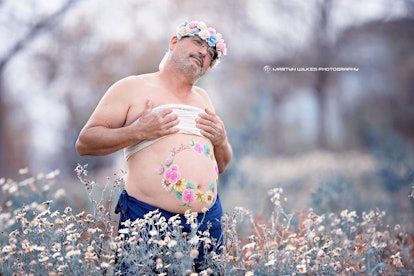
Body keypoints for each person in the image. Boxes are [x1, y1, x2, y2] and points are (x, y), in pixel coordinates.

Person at [75, 20, 232, 271]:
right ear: (174, 42)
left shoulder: (204, 99)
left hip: (207, 219)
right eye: (198, 43)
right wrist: (139, 131)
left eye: (211, 54)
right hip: (148, 217)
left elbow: (222, 163)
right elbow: (85, 142)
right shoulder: (133, 87)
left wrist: (221, 140)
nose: (204, 52)